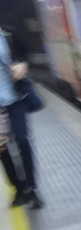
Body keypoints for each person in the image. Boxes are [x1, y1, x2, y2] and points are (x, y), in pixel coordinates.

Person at [0, 24, 43, 209]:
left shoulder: (7, 33)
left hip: (15, 98)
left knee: (22, 141)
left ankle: (32, 189)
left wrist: (22, 65)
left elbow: (26, 53)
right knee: (2, 148)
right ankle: (18, 188)